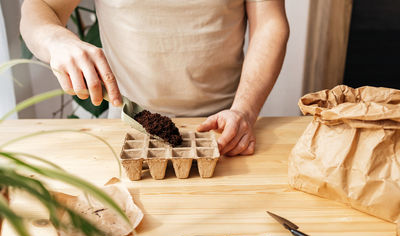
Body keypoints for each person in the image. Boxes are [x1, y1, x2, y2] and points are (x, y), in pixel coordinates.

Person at [20, 0, 289, 156]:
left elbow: (269, 22)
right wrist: (56, 40)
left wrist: (244, 111)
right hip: (129, 131)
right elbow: (39, 8)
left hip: (225, 131)